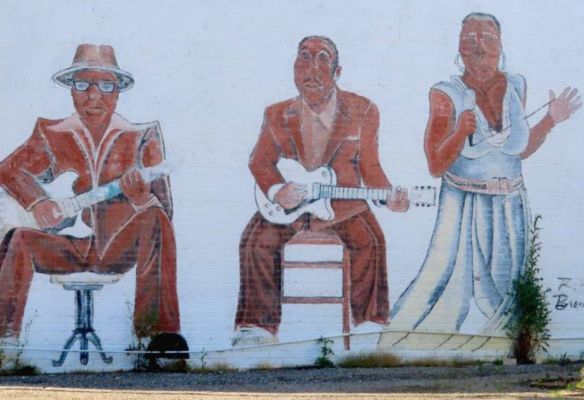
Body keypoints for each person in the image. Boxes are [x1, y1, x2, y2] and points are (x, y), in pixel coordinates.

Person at [390, 13, 581, 334]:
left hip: (511, 204)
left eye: (488, 39)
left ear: (500, 46)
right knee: (443, 287)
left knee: (508, 288)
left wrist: (550, 120)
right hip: (463, 207)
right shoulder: (445, 94)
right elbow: (436, 165)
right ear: (459, 49)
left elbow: (517, 150)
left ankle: (509, 349)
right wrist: (458, 132)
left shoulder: (516, 84)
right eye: (470, 39)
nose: (479, 48)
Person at [234, 36, 409, 345]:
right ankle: (256, 330)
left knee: (371, 240)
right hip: (290, 208)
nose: (311, 71)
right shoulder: (276, 114)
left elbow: (370, 168)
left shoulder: (363, 110)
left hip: (343, 207)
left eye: (322, 60)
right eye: (304, 58)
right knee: (254, 240)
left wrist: (389, 196)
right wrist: (277, 190)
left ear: (338, 72)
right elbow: (259, 161)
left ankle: (369, 325)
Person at [0, 44, 180, 341]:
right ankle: (5, 341)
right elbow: (8, 170)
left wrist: (140, 199)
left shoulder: (140, 136)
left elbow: (165, 210)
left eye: (106, 85)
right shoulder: (51, 133)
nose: (94, 95)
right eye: (83, 84)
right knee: (18, 238)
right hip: (63, 245)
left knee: (155, 219)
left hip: (116, 246)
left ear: (118, 91)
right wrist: (39, 201)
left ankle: (156, 337)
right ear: (71, 89)